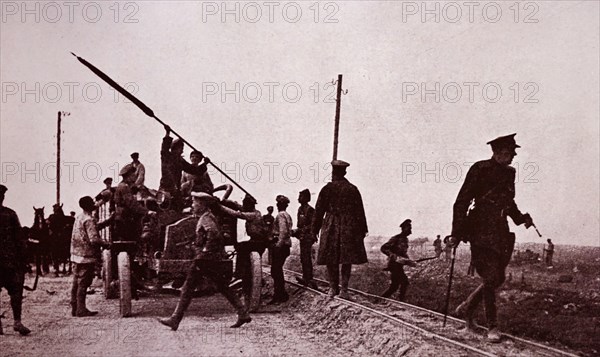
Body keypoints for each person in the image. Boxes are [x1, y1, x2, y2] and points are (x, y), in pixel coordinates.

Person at [451, 133, 535, 342]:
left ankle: (467, 308)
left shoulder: (510, 173)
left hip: (501, 233)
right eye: (511, 152)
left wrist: (521, 218)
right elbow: (461, 201)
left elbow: (508, 202)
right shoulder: (480, 169)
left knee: (498, 278)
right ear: (499, 152)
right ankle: (492, 326)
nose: (514, 155)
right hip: (480, 231)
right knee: (490, 278)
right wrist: (456, 233)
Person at [158, 192, 251, 330]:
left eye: (194, 202)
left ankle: (175, 319)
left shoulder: (205, 218)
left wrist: (205, 251)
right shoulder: (206, 216)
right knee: (222, 286)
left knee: (188, 287)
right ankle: (243, 313)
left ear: (202, 205)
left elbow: (213, 234)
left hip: (205, 260)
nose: (192, 205)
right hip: (212, 259)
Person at [312, 160, 368, 300]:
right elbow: (359, 212)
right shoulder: (352, 189)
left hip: (331, 225)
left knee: (332, 258)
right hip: (349, 226)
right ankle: (344, 289)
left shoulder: (327, 189)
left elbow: (319, 211)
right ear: (344, 172)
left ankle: (333, 288)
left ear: (334, 173)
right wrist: (362, 230)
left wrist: (314, 230)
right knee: (346, 258)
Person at [218, 194, 266, 299]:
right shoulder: (256, 212)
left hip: (258, 242)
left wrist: (220, 207)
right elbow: (240, 208)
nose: (243, 206)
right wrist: (231, 202)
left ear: (249, 205)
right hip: (258, 241)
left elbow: (237, 214)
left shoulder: (253, 214)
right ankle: (245, 279)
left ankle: (239, 273)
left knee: (241, 248)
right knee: (243, 249)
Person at [70, 196, 109, 317]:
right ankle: (81, 309)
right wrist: (106, 244)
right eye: (92, 203)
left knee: (76, 283)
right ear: (88, 206)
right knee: (84, 283)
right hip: (87, 256)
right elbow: (94, 239)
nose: (95, 204)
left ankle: (75, 307)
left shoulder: (79, 217)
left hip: (76, 255)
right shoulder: (89, 220)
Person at [0, 185, 31, 335]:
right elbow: (20, 239)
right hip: (10, 261)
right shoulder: (10, 214)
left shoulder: (10, 214)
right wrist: (25, 259)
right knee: (16, 291)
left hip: (9, 261)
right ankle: (17, 322)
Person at [159, 125, 211, 212]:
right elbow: (164, 147)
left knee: (178, 211)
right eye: (181, 148)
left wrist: (204, 164)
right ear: (175, 148)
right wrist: (167, 134)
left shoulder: (180, 160)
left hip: (176, 191)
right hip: (166, 189)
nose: (182, 151)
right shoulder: (166, 156)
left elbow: (194, 170)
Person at [380, 219, 417, 300]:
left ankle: (378, 300)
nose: (410, 231)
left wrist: (409, 261)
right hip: (394, 265)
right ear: (404, 228)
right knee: (404, 282)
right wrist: (393, 256)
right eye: (409, 229)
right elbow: (383, 248)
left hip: (399, 266)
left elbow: (403, 254)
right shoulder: (396, 238)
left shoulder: (405, 240)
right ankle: (401, 301)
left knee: (394, 287)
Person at [268, 195, 293, 304]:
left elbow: (283, 232)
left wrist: (278, 244)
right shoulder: (287, 215)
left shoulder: (280, 215)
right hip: (285, 245)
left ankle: (280, 296)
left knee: (276, 271)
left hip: (281, 245)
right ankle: (279, 295)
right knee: (277, 270)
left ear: (279, 205)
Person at [291, 189, 318, 289]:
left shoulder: (310, 210)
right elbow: (300, 225)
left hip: (307, 237)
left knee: (306, 257)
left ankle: (309, 278)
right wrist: (296, 231)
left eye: (301, 196)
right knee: (303, 257)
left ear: (306, 198)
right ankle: (306, 277)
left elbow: (313, 225)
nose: (298, 198)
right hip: (303, 236)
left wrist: (302, 231)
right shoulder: (300, 209)